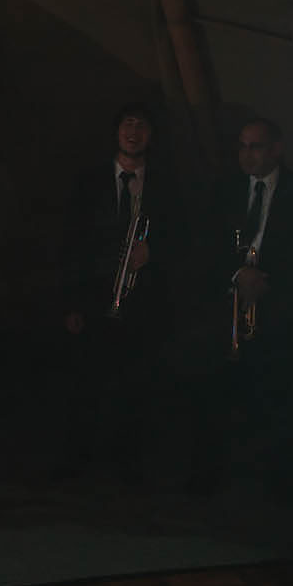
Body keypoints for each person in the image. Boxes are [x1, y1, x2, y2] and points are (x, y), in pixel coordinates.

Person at [200, 116, 293, 497]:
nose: (247, 155)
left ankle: (280, 481)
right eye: (242, 146)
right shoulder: (224, 190)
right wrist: (236, 276)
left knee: (280, 396)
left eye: (256, 146)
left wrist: (267, 283)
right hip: (229, 308)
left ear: (276, 149)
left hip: (281, 311)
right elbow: (206, 249)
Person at [56, 102, 178, 483]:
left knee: (135, 387)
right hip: (93, 299)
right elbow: (70, 242)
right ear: (116, 131)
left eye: (142, 125)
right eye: (127, 123)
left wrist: (153, 251)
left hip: (143, 304)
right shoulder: (89, 181)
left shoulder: (166, 184)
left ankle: (128, 471)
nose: (134, 132)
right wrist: (72, 302)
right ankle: (81, 468)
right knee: (87, 385)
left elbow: (186, 239)